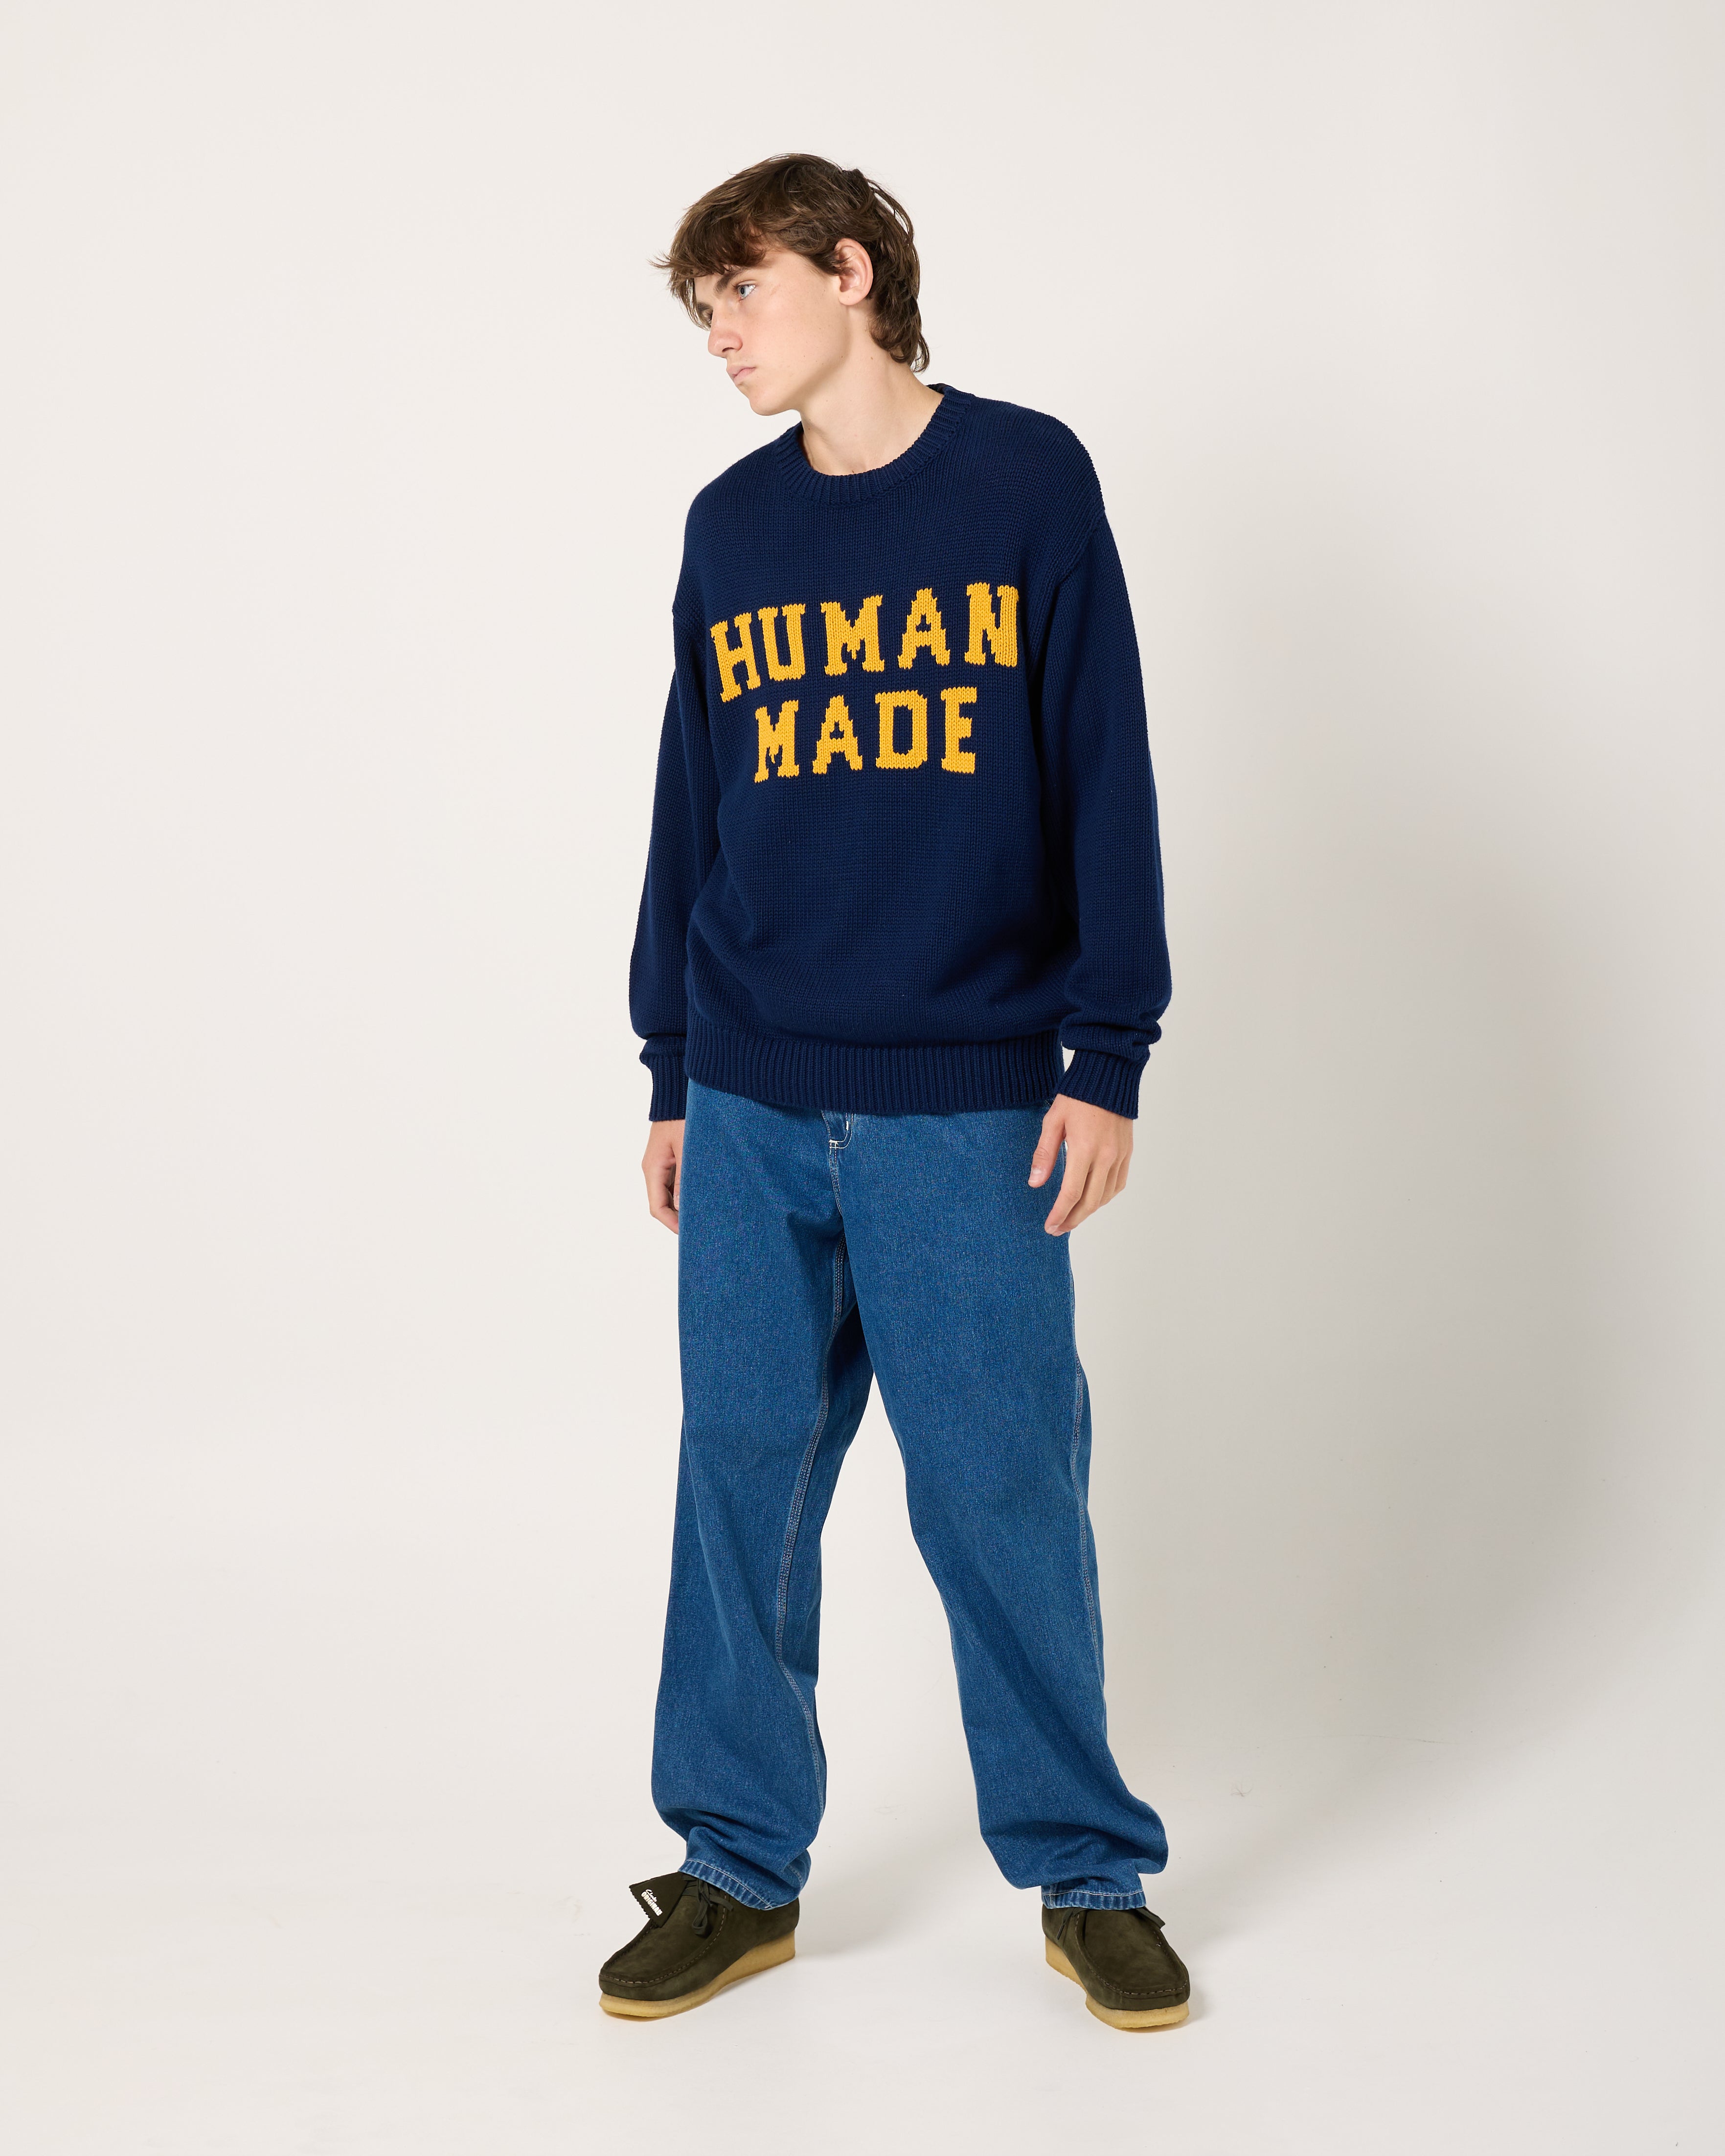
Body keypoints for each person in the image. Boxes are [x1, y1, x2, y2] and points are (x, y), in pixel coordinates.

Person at [603, 154, 1187, 2032]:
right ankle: (733, 1867)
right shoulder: (729, 528)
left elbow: (1102, 764)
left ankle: (1087, 1873)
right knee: (739, 1480)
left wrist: (1106, 1052)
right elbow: (693, 802)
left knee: (1004, 1489)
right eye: (705, 310)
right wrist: (673, 1066)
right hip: (754, 1089)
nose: (721, 336)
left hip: (968, 1097)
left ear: (851, 274)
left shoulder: (1028, 482)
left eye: (744, 293)